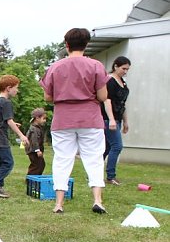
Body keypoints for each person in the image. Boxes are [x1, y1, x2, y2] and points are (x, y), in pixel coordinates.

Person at [40, 28, 109, 214]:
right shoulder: (96, 66)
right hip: (90, 118)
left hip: (63, 119)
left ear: (67, 44)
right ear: (86, 44)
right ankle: (97, 200)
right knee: (94, 158)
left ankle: (59, 203)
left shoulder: (55, 67)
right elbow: (103, 96)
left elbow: (47, 97)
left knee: (62, 159)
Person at [0, 74, 29, 198]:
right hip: (0, 138)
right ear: (8, 88)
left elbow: (2, 120)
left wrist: (13, 123)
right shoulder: (6, 102)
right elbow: (9, 121)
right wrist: (21, 135)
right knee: (8, 163)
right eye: (16, 88)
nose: (17, 90)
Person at [101, 56, 131, 186]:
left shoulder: (123, 83)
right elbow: (106, 100)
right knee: (117, 146)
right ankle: (110, 176)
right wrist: (111, 119)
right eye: (123, 68)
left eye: (127, 69)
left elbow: (122, 104)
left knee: (106, 148)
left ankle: (93, 173)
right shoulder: (110, 81)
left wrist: (125, 122)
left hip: (117, 119)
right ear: (115, 66)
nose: (125, 71)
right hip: (107, 119)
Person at [24, 107, 48, 176]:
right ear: (37, 118)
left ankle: (36, 178)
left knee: (40, 164)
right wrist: (37, 150)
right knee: (37, 165)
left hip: (34, 150)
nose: (45, 121)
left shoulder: (37, 128)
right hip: (33, 150)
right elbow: (34, 140)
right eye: (43, 118)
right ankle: (31, 179)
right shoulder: (34, 129)